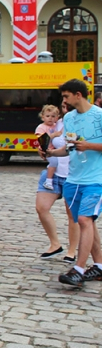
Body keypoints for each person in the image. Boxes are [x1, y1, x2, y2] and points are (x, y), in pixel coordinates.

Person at [45, 79, 102, 287]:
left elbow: (88, 146)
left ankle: (78, 269)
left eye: (67, 96)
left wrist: (89, 146)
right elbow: (69, 148)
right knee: (88, 223)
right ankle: (99, 266)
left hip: (96, 179)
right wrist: (52, 153)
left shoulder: (99, 115)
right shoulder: (69, 118)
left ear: (79, 95)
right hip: (73, 179)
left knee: (85, 220)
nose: (64, 100)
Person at [37, 103, 79, 262]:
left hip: (72, 174)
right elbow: (42, 141)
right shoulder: (55, 124)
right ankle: (55, 244)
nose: (64, 107)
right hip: (53, 172)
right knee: (41, 208)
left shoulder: (79, 123)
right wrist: (41, 150)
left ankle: (72, 250)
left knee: (72, 214)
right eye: (63, 105)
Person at [38, 104, 64, 192]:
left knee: (53, 163)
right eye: (48, 116)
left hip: (53, 150)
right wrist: (55, 134)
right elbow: (41, 139)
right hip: (47, 150)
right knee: (54, 162)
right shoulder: (41, 127)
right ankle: (48, 181)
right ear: (43, 117)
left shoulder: (56, 125)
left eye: (53, 116)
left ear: (57, 118)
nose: (50, 118)